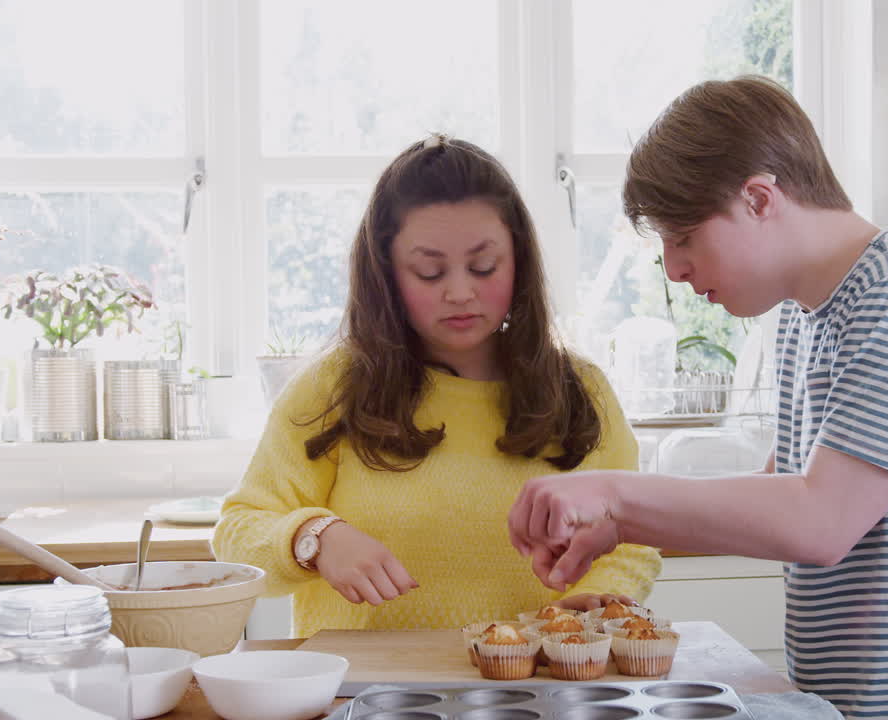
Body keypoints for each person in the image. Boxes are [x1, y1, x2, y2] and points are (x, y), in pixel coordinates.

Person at [508, 76, 888, 719]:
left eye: (684, 237)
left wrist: (616, 497)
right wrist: (619, 525)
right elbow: (783, 491)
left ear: (759, 199)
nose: (673, 269)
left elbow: (820, 522)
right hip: (866, 694)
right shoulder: (805, 313)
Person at [213, 135, 660, 637]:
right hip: (360, 681)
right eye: (429, 272)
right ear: (386, 273)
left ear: (518, 260)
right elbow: (238, 533)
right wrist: (315, 537)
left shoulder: (581, 390)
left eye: (484, 266)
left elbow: (632, 539)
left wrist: (593, 600)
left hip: (536, 680)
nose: (460, 292)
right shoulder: (333, 387)